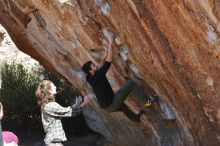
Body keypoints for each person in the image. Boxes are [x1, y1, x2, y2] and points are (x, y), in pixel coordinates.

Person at [81, 33, 158, 122]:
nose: (95, 65)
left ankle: (136, 118)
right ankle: (147, 102)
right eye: (93, 65)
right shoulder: (98, 76)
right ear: (91, 71)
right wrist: (110, 43)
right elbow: (108, 62)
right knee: (131, 84)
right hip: (111, 104)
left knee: (122, 107)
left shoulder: (89, 77)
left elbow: (100, 67)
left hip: (106, 107)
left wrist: (105, 54)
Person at [35, 80, 83, 146]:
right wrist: (85, 103)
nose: (55, 86)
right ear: (49, 91)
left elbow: (63, 111)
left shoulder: (46, 104)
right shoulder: (51, 105)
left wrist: (76, 104)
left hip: (53, 141)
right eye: (53, 85)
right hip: (55, 142)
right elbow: (69, 112)